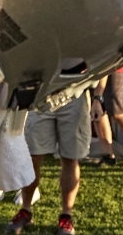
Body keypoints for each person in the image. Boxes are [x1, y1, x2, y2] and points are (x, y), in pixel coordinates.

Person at [9, 93, 92, 235]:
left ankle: (66, 216)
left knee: (70, 158)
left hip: (74, 95)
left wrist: (98, 97)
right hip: (41, 96)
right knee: (32, 157)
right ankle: (25, 210)